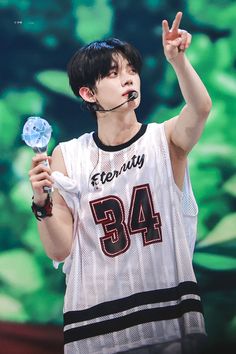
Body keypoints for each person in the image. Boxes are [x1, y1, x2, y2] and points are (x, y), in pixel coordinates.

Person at [29, 11, 212, 354]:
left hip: (168, 316)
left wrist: (179, 61)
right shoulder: (68, 156)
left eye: (131, 71)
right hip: (96, 326)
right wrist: (41, 201)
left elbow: (200, 108)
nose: (129, 80)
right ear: (88, 93)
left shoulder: (163, 139)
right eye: (114, 74)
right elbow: (59, 250)